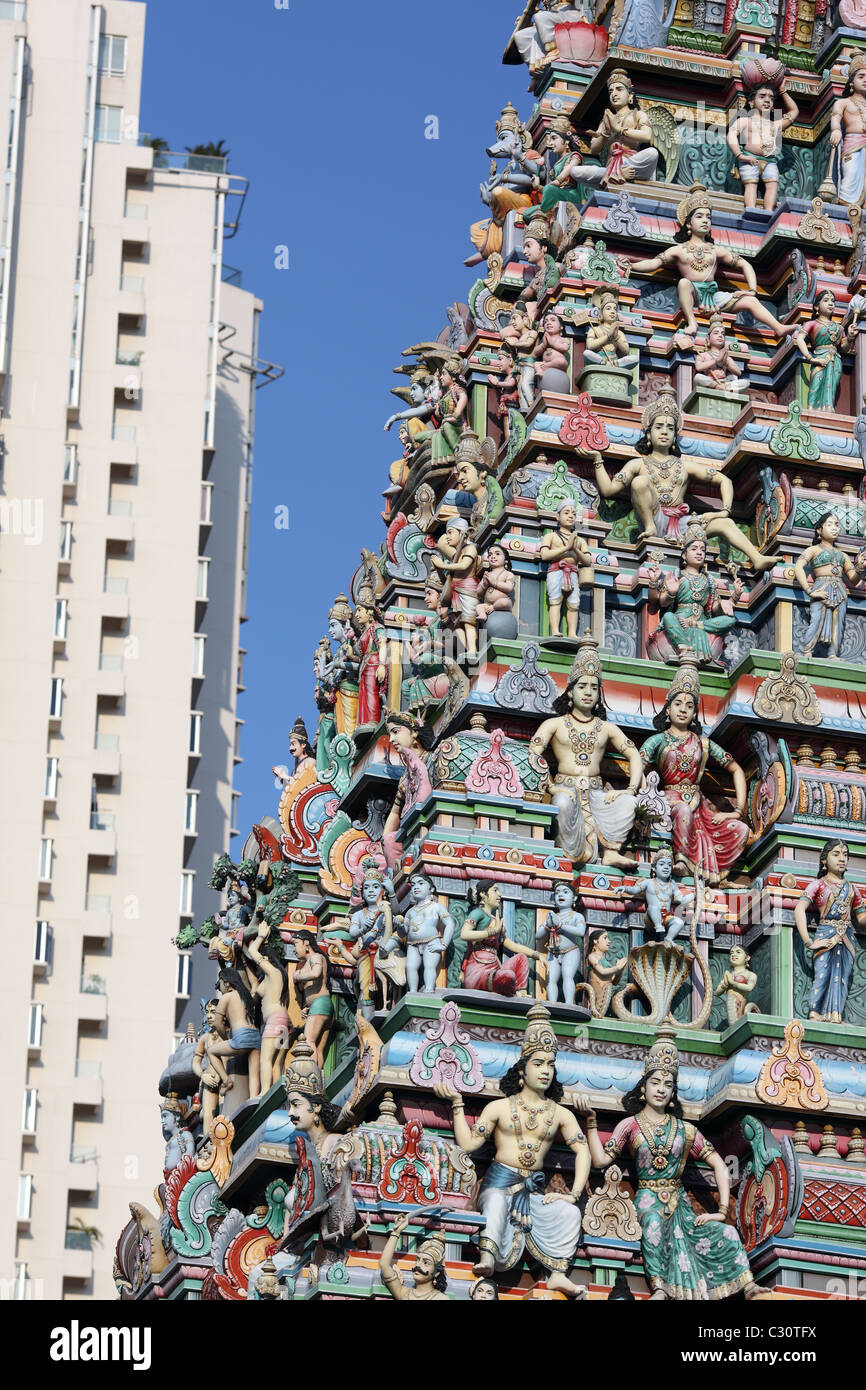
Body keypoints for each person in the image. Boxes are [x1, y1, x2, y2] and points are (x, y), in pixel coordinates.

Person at [583, 1034, 763, 1300]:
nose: (661, 1089)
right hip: (648, 1198)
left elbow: (718, 1164)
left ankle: (747, 1286)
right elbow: (600, 1161)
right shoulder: (629, 1125)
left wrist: (722, 1211)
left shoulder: (686, 1130)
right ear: (643, 1088)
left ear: (673, 1093)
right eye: (655, 1082)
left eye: (668, 1084)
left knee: (724, 1232)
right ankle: (660, 1288)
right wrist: (591, 1123)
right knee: (653, 1225)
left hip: (681, 1205)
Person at [436, 1004, 590, 1297]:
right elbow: (469, 1145)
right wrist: (457, 1104)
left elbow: (582, 1151)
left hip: (533, 1192)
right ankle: (488, 1258)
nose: (546, 1071)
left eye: (550, 1065)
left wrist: (573, 1194)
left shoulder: (560, 1113)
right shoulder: (499, 1107)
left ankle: (557, 1274)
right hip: (500, 1183)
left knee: (569, 1213)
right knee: (494, 1201)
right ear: (522, 1071)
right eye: (539, 1064)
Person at [592, 386, 776, 571]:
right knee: (639, 482)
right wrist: (597, 460)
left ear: (674, 437)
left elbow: (724, 481)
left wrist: (723, 512)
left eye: (670, 428)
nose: (664, 432)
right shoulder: (638, 464)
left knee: (725, 524)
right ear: (649, 434)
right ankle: (651, 530)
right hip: (654, 517)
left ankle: (757, 558)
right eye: (658, 427)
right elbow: (608, 490)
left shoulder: (684, 465)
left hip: (682, 523)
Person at [622, 183, 796, 339]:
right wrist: (631, 266)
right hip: (694, 292)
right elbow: (654, 263)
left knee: (751, 302)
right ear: (688, 224)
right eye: (699, 216)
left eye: (708, 217)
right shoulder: (679, 250)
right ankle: (691, 322)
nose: (705, 220)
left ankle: (778, 327)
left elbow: (744, 264)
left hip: (714, 295)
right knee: (683, 282)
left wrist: (751, 290)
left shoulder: (715, 250)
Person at [530, 636, 641, 869]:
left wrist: (628, 790)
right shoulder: (555, 724)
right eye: (582, 686)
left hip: (598, 794)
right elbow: (533, 755)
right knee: (560, 803)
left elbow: (634, 755)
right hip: (565, 788)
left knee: (629, 803)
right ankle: (568, 855)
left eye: (593, 687)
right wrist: (551, 786)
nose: (588, 692)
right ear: (570, 692)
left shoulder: (606, 728)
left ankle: (611, 852)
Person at [640, 659, 750, 885]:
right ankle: (682, 861)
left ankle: (716, 874)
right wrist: (647, 794)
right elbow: (636, 764)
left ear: (694, 714)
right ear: (667, 709)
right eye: (678, 704)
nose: (683, 709)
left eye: (689, 706)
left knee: (740, 829)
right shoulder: (657, 741)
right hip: (669, 800)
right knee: (682, 811)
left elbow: (736, 769)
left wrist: (738, 811)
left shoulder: (704, 744)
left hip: (700, 806)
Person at [539, 71, 658, 210]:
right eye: (611, 91)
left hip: (631, 161)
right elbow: (594, 149)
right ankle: (617, 174)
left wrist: (618, 129)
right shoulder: (606, 120)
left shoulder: (638, 114)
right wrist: (606, 133)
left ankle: (618, 174)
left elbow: (646, 136)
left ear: (630, 95)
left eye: (619, 89)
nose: (614, 93)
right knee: (576, 171)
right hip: (609, 167)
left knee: (652, 153)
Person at [647, 520, 744, 667]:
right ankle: (682, 646)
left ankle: (693, 633)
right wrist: (671, 592)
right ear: (684, 555)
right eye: (694, 549)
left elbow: (714, 609)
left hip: (701, 623)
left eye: (702, 550)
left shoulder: (709, 580)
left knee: (730, 621)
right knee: (668, 617)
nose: (699, 552)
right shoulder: (677, 575)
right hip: (680, 620)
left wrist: (733, 598)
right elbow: (661, 602)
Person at [794, 839, 866, 1023]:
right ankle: (815, 1012)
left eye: (845, 855)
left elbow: (861, 919)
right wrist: (808, 942)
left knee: (842, 976)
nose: (842, 859)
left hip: (847, 938)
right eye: (836, 854)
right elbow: (799, 908)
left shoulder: (852, 889)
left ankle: (836, 1014)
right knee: (823, 974)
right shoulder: (818, 885)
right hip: (826, 934)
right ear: (824, 860)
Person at [793, 511, 866, 658]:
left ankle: (833, 653)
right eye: (830, 524)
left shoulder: (843, 555)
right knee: (816, 620)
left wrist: (860, 568)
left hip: (839, 590)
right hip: (821, 588)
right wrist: (809, 591)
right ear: (819, 530)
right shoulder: (813, 550)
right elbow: (798, 567)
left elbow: (854, 579)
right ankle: (807, 651)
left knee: (838, 624)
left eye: (837, 525)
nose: (834, 528)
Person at [461, 881, 542, 996]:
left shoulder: (496, 920)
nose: (499, 894)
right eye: (495, 890)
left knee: (521, 958)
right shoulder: (478, 913)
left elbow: (513, 946)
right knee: (508, 976)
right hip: (478, 972)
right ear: (483, 894)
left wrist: (537, 955)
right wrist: (493, 931)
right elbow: (464, 934)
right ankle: (512, 992)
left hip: (495, 969)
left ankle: (521, 992)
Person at [727, 81, 798, 211]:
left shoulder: (775, 125)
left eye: (771, 98)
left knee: (772, 185)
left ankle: (769, 211)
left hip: (770, 161)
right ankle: (750, 210)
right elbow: (731, 135)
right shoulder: (744, 121)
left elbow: (794, 111)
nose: (767, 100)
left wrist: (783, 91)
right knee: (751, 185)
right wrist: (740, 155)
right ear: (751, 102)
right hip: (749, 159)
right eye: (762, 96)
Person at [794, 291, 859, 413]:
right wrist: (810, 358)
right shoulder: (811, 324)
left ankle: (828, 408)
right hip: (820, 358)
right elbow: (799, 338)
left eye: (833, 301)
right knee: (816, 385)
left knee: (831, 385)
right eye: (826, 300)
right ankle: (812, 410)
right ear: (817, 307)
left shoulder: (839, 327)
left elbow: (844, 347)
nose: (831, 303)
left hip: (835, 361)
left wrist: (850, 336)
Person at [245, 923, 291, 1091]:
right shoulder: (269, 980)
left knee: (265, 1059)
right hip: (283, 1022)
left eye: (260, 962)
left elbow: (253, 952)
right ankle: (278, 1093)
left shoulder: (274, 973)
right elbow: (255, 993)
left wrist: (261, 937)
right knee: (276, 1062)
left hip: (274, 1021)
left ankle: (264, 1092)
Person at [539, 500, 593, 639]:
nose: (571, 516)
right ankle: (555, 630)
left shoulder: (579, 541)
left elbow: (587, 560)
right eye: (566, 512)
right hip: (556, 570)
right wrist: (567, 547)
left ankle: (572, 633)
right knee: (555, 601)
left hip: (573, 572)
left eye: (574, 514)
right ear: (557, 517)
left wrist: (574, 548)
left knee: (574, 604)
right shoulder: (550, 536)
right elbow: (544, 555)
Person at [210, 968, 262, 1100]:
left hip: (241, 1036)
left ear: (226, 983)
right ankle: (253, 1098)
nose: (220, 987)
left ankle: (226, 1081)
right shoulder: (247, 996)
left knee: (211, 1051)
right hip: (255, 1035)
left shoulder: (227, 997)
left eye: (220, 983)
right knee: (254, 1074)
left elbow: (217, 1024)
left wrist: (225, 1038)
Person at [535, 881, 587, 1004]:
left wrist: (560, 925)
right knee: (551, 979)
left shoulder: (576, 916)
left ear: (574, 898)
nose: (560, 895)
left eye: (565, 892)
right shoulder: (553, 916)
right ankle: (552, 1004)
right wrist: (547, 925)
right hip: (553, 952)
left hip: (570, 951)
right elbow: (538, 936)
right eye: (557, 893)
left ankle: (569, 1004)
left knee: (567, 976)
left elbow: (580, 931)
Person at [379, 1214, 449, 1301]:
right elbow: (384, 1264)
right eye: (417, 1260)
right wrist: (396, 1232)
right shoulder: (404, 1293)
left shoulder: (441, 1298)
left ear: (437, 1273)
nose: (418, 1265)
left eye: (426, 1263)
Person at [291, 929, 333, 1066]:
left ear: (306, 943)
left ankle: (310, 1078)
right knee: (318, 1048)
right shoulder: (309, 960)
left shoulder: (315, 957)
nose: (293, 949)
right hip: (320, 1005)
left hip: (320, 1004)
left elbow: (316, 973)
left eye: (295, 944)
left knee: (308, 1042)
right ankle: (317, 1082)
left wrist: (298, 976)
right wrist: (308, 1007)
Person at [829, 53, 866, 206]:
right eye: (861, 76)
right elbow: (835, 119)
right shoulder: (843, 102)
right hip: (853, 143)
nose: (865, 80)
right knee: (851, 173)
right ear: (851, 81)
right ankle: (847, 202)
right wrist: (836, 130)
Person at [574, 929, 626, 1018]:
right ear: (595, 941)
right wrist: (617, 968)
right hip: (598, 998)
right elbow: (602, 971)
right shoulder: (592, 956)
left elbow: (615, 982)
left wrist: (620, 971)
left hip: (606, 995)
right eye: (605, 938)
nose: (608, 941)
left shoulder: (606, 962)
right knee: (598, 1011)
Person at [715, 944, 759, 1025]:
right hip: (731, 1003)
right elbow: (717, 992)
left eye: (738, 952)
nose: (733, 955)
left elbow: (749, 988)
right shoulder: (729, 975)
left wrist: (733, 983)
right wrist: (725, 984)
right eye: (731, 953)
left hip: (741, 1002)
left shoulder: (750, 975)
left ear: (747, 957)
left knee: (738, 1022)